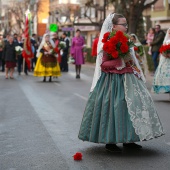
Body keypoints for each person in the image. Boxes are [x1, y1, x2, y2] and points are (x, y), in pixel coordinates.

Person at [78, 13, 164, 152]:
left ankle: (129, 139)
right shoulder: (107, 41)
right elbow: (103, 64)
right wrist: (120, 61)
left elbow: (131, 60)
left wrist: (134, 68)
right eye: (123, 24)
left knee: (132, 105)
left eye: (126, 24)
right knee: (113, 107)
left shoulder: (126, 39)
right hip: (111, 80)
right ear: (113, 26)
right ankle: (110, 141)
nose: (126, 27)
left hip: (128, 77)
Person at [152, 28, 170, 94]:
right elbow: (163, 49)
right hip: (166, 59)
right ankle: (167, 88)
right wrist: (165, 54)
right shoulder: (166, 40)